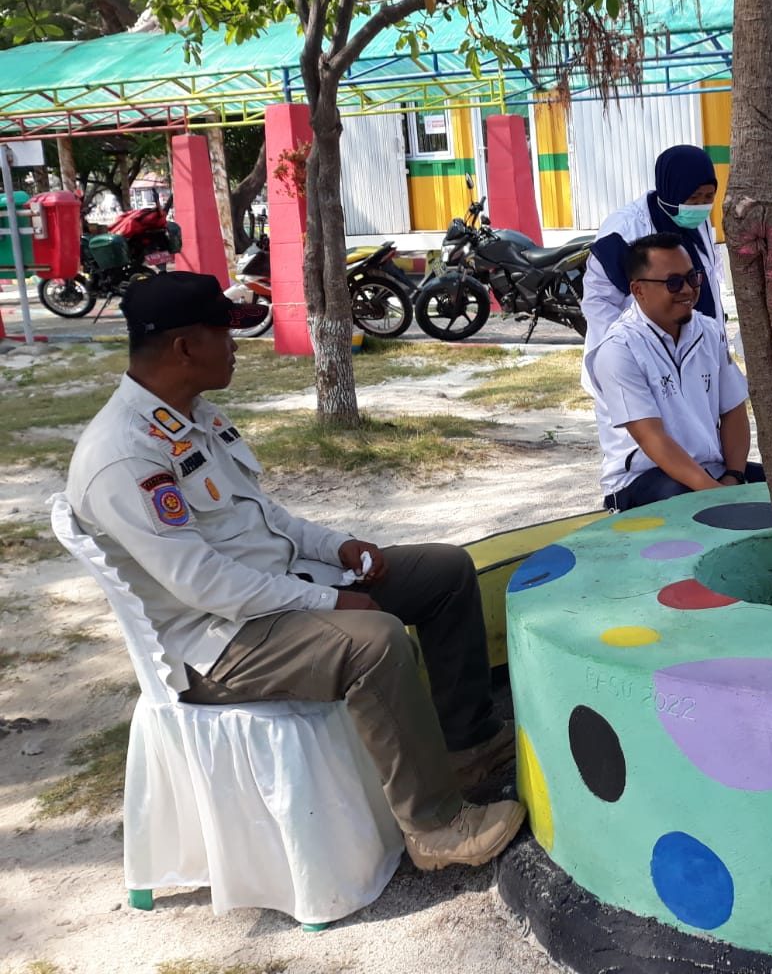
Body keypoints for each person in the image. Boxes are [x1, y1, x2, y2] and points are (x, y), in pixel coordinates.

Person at [65, 273, 524, 871]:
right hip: (218, 643)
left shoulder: (192, 416)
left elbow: (265, 517)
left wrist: (338, 547)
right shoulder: (124, 455)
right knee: (375, 641)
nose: (236, 344)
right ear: (185, 347)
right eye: (224, 331)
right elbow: (202, 584)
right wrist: (330, 604)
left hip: (280, 593)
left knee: (444, 570)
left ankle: (465, 744)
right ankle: (436, 826)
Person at [586, 234, 763, 511]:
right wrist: (717, 494)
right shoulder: (620, 349)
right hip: (640, 479)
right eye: (673, 283)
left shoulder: (708, 331)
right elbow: (651, 438)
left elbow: (733, 411)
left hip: (711, 471)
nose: (688, 290)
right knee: (689, 505)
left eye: (693, 278)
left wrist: (734, 476)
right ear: (638, 290)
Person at [582, 145, 726, 394]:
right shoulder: (624, 230)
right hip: (637, 365)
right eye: (693, 198)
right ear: (671, 189)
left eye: (708, 197)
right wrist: (630, 354)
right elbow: (599, 301)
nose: (701, 206)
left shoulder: (697, 222)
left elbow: (709, 281)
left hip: (695, 358)